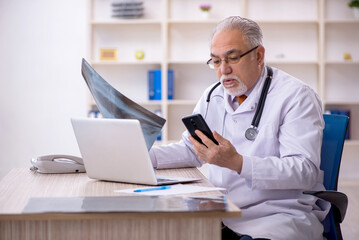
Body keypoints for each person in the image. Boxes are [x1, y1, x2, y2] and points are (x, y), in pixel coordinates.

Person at [149, 16, 329, 240]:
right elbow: (190, 149)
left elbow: (304, 171)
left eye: (232, 58)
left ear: (259, 55)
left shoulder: (295, 96)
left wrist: (237, 163)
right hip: (219, 211)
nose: (223, 70)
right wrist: (143, 156)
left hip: (276, 215)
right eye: (215, 61)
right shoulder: (212, 95)